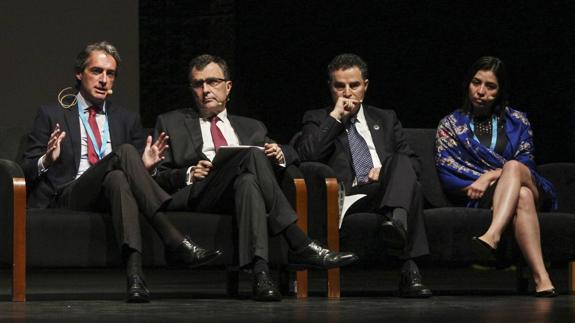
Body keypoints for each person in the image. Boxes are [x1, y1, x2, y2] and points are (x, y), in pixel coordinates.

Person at [21, 41, 222, 303]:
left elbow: (134, 173)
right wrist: (46, 159)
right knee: (125, 152)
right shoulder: (52, 114)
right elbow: (26, 167)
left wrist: (146, 166)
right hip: (69, 194)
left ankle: (135, 279)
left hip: (111, 194)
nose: (104, 80)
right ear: (79, 74)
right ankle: (173, 239)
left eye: (110, 73)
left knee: (118, 177)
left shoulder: (126, 119)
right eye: (96, 71)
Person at [153, 54, 358, 302]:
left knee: (249, 181)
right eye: (198, 84)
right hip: (200, 192)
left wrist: (279, 155)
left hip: (239, 194)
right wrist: (187, 173)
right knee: (251, 157)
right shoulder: (170, 121)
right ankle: (299, 241)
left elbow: (294, 156)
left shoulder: (252, 127)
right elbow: (157, 175)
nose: (205, 90)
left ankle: (261, 275)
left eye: (213, 82)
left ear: (228, 87)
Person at [297, 53, 432, 298]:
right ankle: (408, 263)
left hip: (388, 190)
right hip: (352, 196)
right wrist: (336, 117)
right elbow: (307, 155)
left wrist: (387, 171)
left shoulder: (386, 118)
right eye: (340, 86)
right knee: (412, 189)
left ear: (366, 86)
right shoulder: (317, 118)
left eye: (354, 85)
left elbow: (413, 162)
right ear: (330, 87)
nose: (347, 92)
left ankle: (398, 226)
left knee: (401, 163)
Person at [435, 56, 558, 297]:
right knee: (520, 196)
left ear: (500, 91)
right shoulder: (450, 125)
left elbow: (526, 162)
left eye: (490, 86)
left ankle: (493, 234)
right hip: (489, 196)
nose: (481, 91)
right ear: (467, 84)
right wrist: (488, 182)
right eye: (476, 83)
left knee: (515, 169)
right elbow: (446, 170)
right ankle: (542, 278)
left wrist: (488, 175)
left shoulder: (518, 120)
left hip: (529, 183)